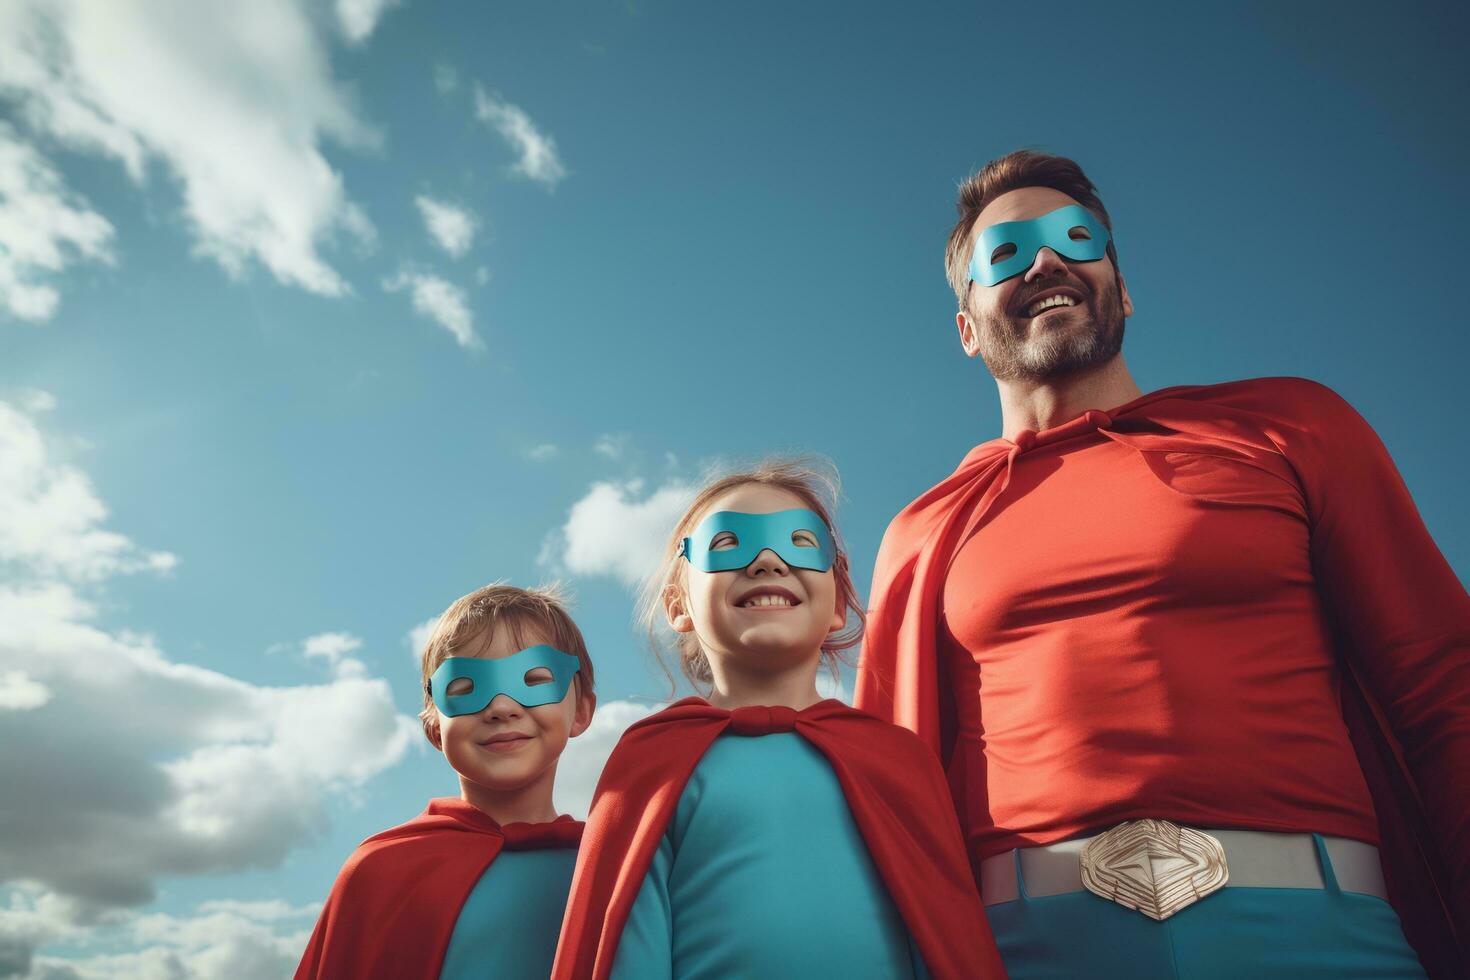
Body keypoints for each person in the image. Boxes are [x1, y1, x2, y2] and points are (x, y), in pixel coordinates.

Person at [855, 149, 1469, 979]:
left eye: (1078, 238)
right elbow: (886, 800)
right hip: (1027, 948)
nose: (1046, 261)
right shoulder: (925, 532)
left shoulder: (1288, 430)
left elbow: (1442, 687)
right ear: (967, 328)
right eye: (1004, 254)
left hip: (1323, 936)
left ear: (1124, 288)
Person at [552, 459, 1006, 980]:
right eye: (728, 544)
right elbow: (626, 946)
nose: (768, 560)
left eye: (800, 543)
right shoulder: (649, 760)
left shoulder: (900, 761)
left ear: (838, 603)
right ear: (679, 605)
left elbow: (945, 941)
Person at [295, 584, 597, 980]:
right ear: (435, 730)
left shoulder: (608, 867)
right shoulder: (380, 871)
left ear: (581, 712)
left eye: (534, 679)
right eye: (465, 688)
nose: (502, 707)